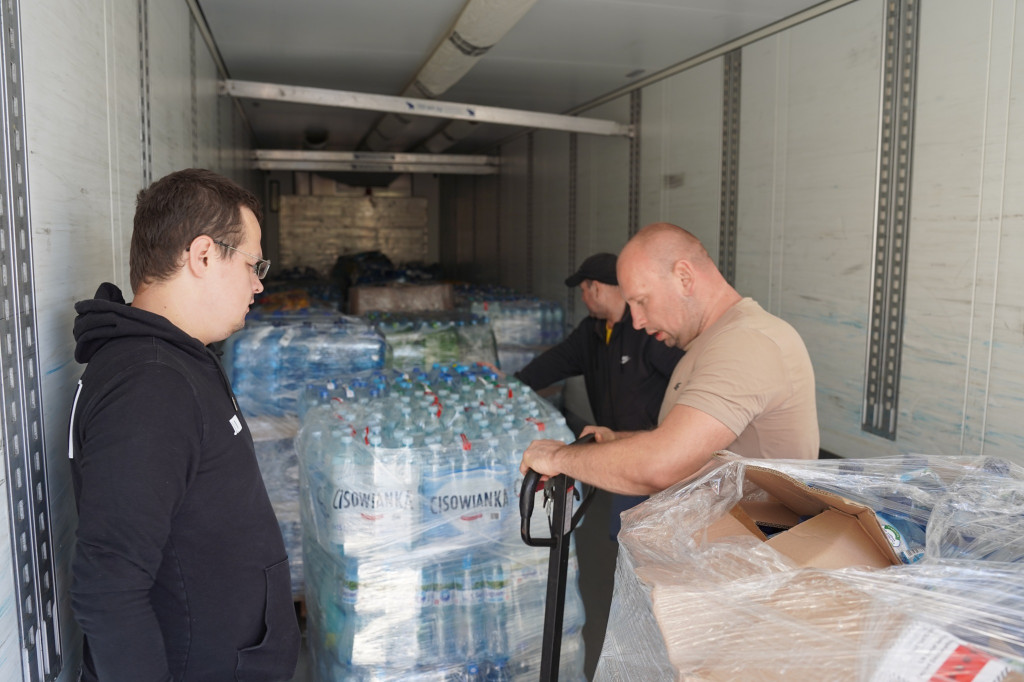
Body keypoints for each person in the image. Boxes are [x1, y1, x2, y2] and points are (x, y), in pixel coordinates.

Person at [67, 169, 300, 681]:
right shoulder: (151, 384)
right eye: (252, 262)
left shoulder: (173, 362)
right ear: (202, 255)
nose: (260, 282)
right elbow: (109, 585)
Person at [521, 222, 819, 495]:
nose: (636, 321)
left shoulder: (747, 343)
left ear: (684, 277)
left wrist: (559, 458)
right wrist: (618, 441)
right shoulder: (709, 343)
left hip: (756, 547)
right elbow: (695, 445)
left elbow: (662, 465)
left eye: (641, 301)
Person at [514, 252, 684, 529]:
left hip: (650, 450)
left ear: (598, 287)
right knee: (624, 531)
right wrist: (516, 383)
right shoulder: (591, 331)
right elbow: (556, 362)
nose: (582, 298)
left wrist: (675, 436)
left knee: (647, 535)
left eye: (584, 290)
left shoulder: (647, 330)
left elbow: (684, 379)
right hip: (615, 450)